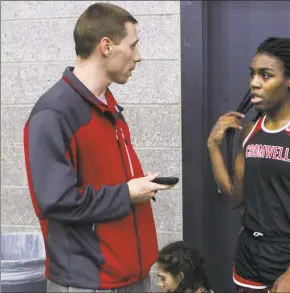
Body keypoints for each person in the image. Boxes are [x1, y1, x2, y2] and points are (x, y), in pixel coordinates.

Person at [23, 3, 176, 292]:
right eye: (133, 46)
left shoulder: (108, 105)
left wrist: (137, 186)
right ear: (106, 46)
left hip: (129, 276)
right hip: (88, 282)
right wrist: (128, 193)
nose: (138, 57)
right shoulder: (54, 114)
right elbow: (56, 201)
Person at [207, 37, 290, 292]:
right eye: (253, 74)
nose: (255, 83)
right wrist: (213, 147)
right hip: (248, 258)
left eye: (266, 75)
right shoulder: (249, 133)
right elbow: (234, 198)